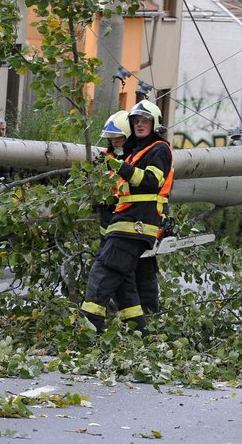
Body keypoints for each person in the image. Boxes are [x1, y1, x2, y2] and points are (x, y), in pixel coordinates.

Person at [81, 100, 173, 333]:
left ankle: (89, 326)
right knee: (124, 282)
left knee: (103, 272)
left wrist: (118, 166)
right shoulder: (136, 152)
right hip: (126, 222)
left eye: (145, 120)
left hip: (137, 224)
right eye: (136, 121)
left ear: (155, 123)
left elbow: (152, 182)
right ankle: (138, 332)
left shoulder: (159, 149)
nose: (140, 124)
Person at [94, 110, 162, 315]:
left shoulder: (140, 158)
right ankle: (134, 324)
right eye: (111, 139)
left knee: (144, 275)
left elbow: (153, 186)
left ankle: (149, 318)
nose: (114, 142)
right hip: (113, 226)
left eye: (118, 138)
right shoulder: (106, 158)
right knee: (122, 279)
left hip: (138, 225)